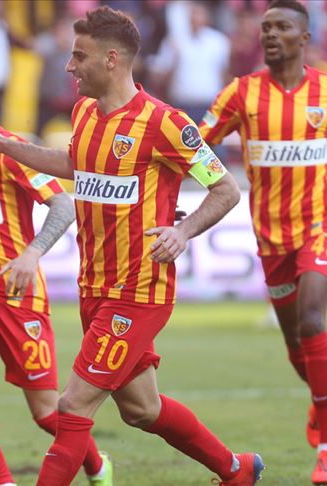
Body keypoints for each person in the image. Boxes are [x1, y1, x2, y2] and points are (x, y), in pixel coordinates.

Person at [0, 6, 264, 485]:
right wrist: (1, 143)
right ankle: (237, 469)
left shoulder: (164, 123)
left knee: (72, 405)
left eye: (79, 56)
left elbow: (225, 188)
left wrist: (183, 231)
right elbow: (71, 164)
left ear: (111, 59)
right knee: (142, 409)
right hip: (95, 287)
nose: (69, 66)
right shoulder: (84, 112)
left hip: (138, 291)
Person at [0, 64, 113, 486]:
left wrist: (32, 253)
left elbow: (63, 204)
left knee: (47, 413)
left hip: (16, 294)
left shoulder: (11, 150)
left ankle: (97, 465)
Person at [198, 1, 326, 482]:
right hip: (271, 238)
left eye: (282, 27)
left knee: (313, 318)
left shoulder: (325, 92)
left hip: (318, 226)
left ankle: (326, 444)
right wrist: (176, 188)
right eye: (266, 27)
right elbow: (195, 143)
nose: (270, 34)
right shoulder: (242, 92)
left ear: (304, 37)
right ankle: (321, 402)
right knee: (295, 342)